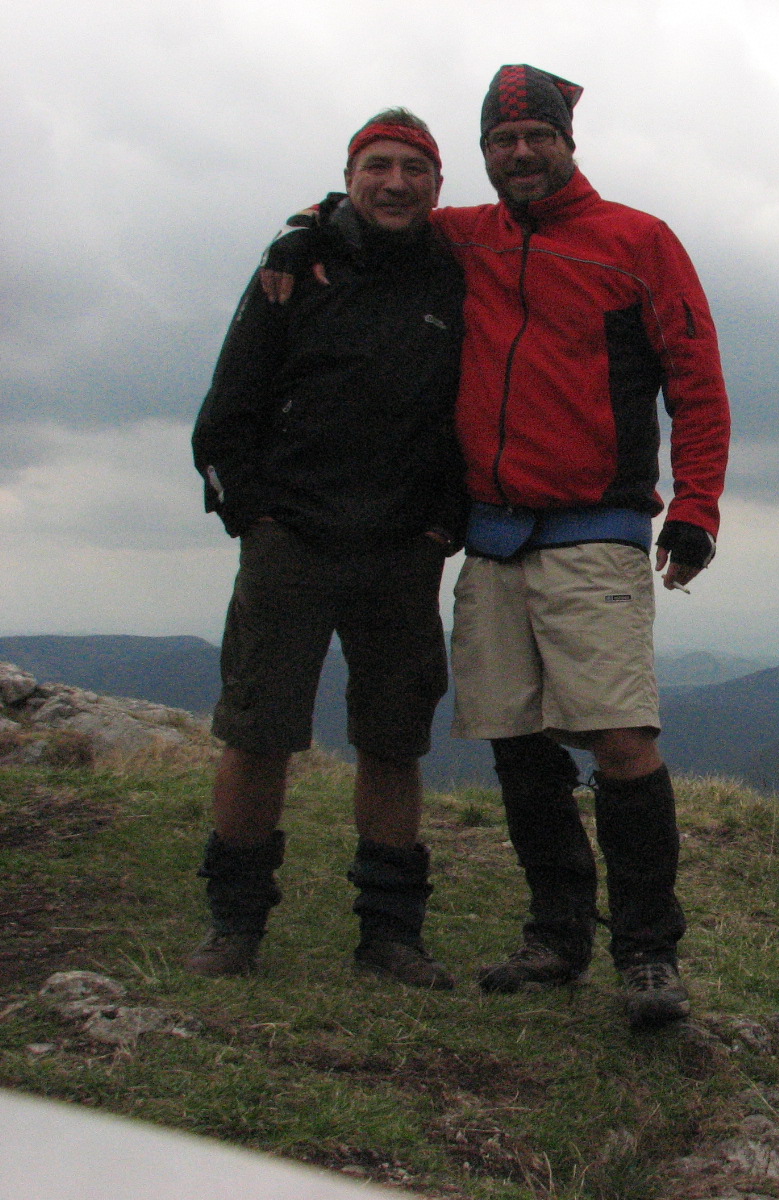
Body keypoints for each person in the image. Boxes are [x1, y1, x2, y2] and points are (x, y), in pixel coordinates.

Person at [265, 65, 731, 1028]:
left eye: (536, 137)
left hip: (595, 527)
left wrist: (698, 507)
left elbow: (696, 378)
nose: (520, 153)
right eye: (502, 140)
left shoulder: (638, 241)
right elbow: (374, 207)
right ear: (483, 153)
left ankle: (648, 953)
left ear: (568, 142)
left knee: (621, 739)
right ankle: (557, 938)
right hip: (491, 535)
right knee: (517, 743)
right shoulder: (465, 233)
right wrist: (304, 228)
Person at [190, 108, 467, 988]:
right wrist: (255, 517)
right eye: (377, 166)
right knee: (257, 732)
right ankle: (234, 926)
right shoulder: (294, 268)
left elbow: (470, 413)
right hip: (293, 540)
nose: (395, 183)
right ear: (350, 178)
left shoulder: (457, 272)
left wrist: (443, 524)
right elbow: (227, 410)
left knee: (394, 741)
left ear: (438, 185)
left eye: (414, 169)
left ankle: (389, 936)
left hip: (402, 547)